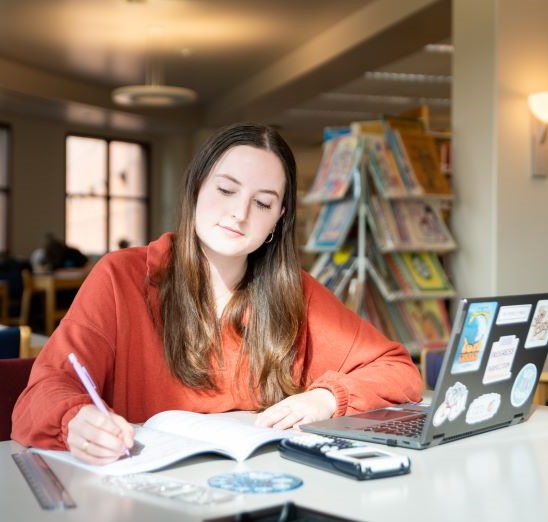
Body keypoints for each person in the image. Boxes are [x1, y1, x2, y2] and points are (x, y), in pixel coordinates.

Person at [12, 123, 422, 465]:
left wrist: (325, 399)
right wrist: (76, 419)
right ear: (196, 188)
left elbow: (399, 371)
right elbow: (39, 398)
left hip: (268, 491)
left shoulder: (296, 292)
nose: (239, 214)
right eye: (226, 191)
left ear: (278, 220)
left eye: (262, 203)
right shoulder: (121, 278)